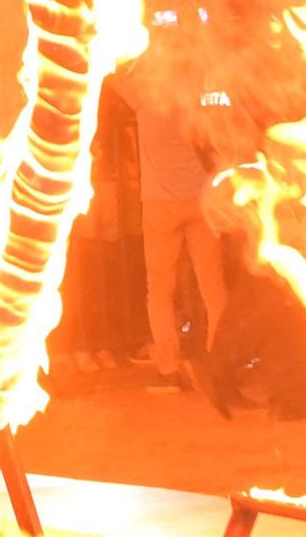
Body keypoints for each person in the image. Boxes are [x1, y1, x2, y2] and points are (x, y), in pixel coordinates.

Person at [126, 54, 226, 390]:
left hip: (159, 205)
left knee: (160, 291)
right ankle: (221, 362)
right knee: (213, 288)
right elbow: (223, 100)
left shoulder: (143, 98)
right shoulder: (198, 99)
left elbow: (109, 64)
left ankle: (168, 368)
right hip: (201, 202)